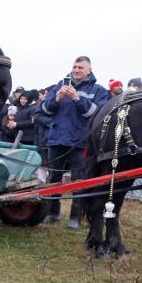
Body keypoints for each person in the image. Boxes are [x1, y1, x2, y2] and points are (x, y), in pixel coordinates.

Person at [39, 56, 110, 228]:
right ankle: (52, 213)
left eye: (80, 67)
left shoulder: (98, 91)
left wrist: (77, 98)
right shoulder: (60, 85)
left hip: (81, 143)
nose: (76, 70)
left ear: (89, 70)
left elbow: (95, 114)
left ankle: (75, 218)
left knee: (79, 181)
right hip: (57, 140)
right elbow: (45, 109)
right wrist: (56, 98)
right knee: (54, 179)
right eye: (74, 67)